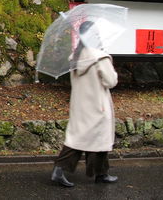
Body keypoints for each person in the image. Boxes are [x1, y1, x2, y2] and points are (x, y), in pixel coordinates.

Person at [51, 21, 119, 187]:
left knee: (81, 139)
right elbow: (111, 81)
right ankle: (60, 170)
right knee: (92, 140)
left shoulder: (76, 56)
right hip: (97, 106)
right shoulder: (99, 57)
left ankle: (101, 173)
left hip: (80, 106)